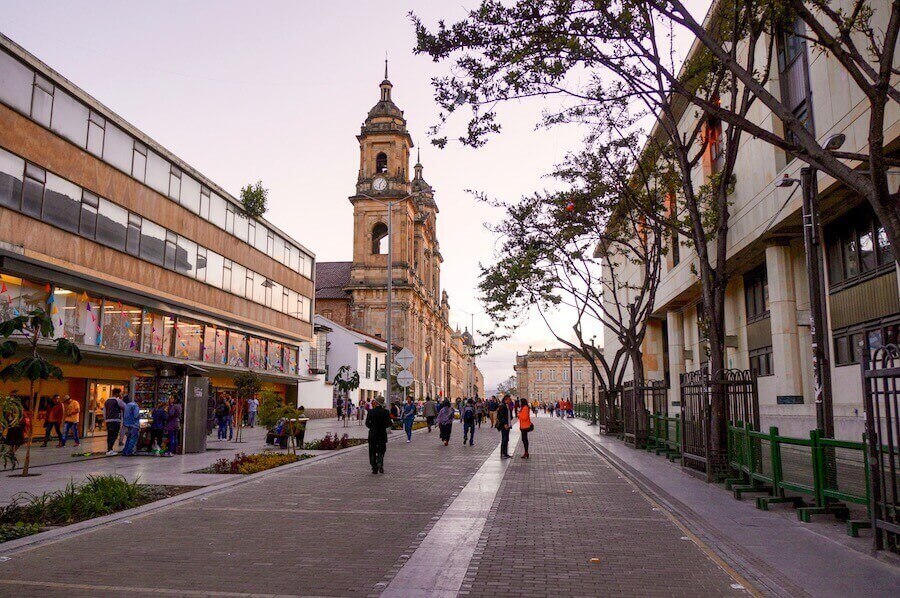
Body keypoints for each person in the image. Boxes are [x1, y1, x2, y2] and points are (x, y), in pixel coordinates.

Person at [365, 396, 392, 474]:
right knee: (381, 450)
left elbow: (367, 423)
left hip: (373, 434)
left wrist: (372, 427)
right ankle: (380, 463)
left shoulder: (371, 412)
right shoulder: (386, 412)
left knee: (372, 451)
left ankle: (374, 467)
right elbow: (389, 423)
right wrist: (382, 427)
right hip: (382, 434)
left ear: (376, 402)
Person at [102, 389, 126, 454]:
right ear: (117, 394)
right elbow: (125, 407)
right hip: (116, 420)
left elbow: (104, 412)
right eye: (120, 393)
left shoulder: (106, 401)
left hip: (108, 420)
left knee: (109, 435)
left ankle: (109, 449)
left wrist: (105, 420)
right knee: (114, 435)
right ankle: (110, 450)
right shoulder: (118, 401)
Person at [496, 395, 512, 459]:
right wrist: (505, 424)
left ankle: (505, 453)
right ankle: (503, 453)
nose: (510, 401)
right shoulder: (502, 406)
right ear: (506, 400)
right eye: (509, 399)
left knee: (506, 439)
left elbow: (508, 415)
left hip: (507, 425)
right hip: (504, 425)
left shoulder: (507, 406)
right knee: (504, 439)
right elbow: (501, 416)